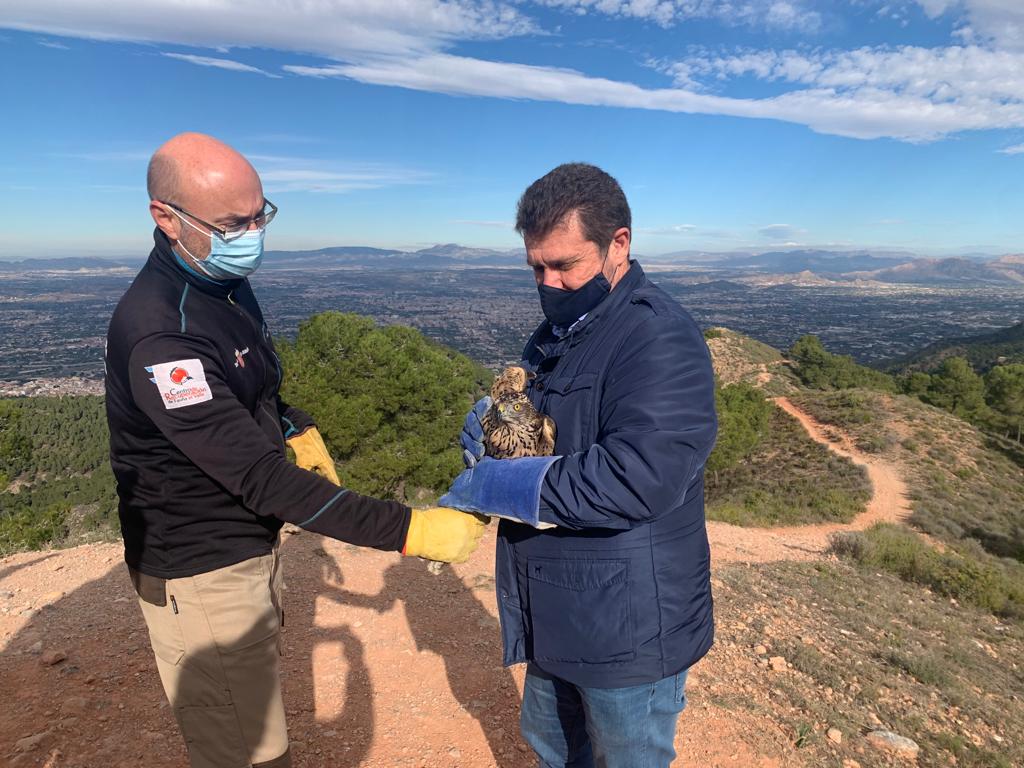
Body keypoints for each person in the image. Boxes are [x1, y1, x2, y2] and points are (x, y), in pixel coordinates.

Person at [104, 132, 485, 768]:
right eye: (233, 223)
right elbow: (259, 479)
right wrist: (410, 529)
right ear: (165, 218)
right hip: (201, 567)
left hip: (246, 545)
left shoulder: (221, 287)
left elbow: (248, 390)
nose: (253, 233)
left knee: (253, 713)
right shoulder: (160, 334)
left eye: (261, 215)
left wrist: (286, 423)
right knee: (251, 754)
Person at [442, 163, 718, 767]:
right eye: (536, 267)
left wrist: (499, 484)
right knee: (553, 751)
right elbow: (548, 438)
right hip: (557, 607)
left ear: (618, 243)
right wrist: (497, 429)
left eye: (564, 265)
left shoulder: (656, 337)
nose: (549, 282)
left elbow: (640, 476)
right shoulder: (558, 334)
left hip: (628, 626)